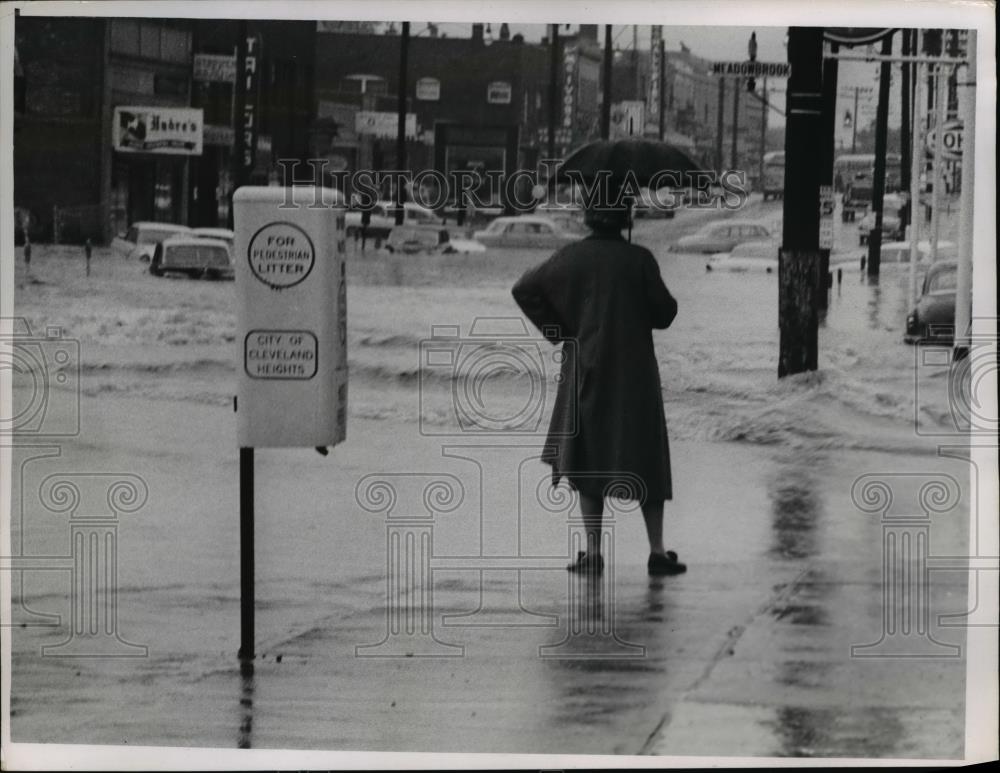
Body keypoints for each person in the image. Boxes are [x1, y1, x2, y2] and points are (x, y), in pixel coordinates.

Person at [511, 198, 686, 577]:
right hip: (634, 374)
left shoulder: (569, 257)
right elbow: (666, 313)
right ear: (625, 220)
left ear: (589, 219)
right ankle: (656, 550)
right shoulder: (639, 259)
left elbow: (524, 288)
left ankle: (592, 553)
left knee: (587, 460)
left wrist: (562, 332)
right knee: (647, 459)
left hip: (584, 368)